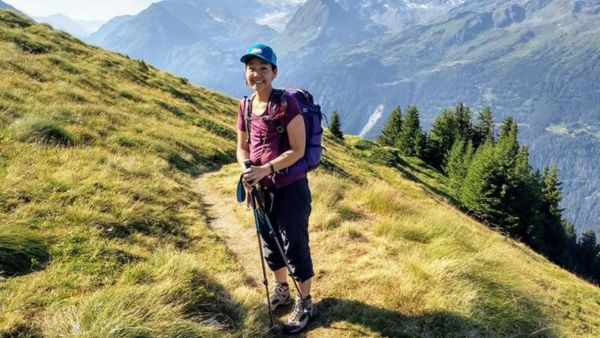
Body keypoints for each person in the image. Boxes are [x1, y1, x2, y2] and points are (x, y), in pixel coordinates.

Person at [236, 43, 315, 334]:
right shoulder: (244, 106)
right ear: (245, 72)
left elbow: (298, 149)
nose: (257, 74)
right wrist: (247, 168)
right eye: (251, 68)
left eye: (263, 69)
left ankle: (305, 302)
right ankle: (282, 290)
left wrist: (265, 170)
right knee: (270, 242)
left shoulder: (285, 104)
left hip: (290, 188)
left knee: (294, 243)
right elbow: (241, 146)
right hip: (260, 190)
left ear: (274, 72)